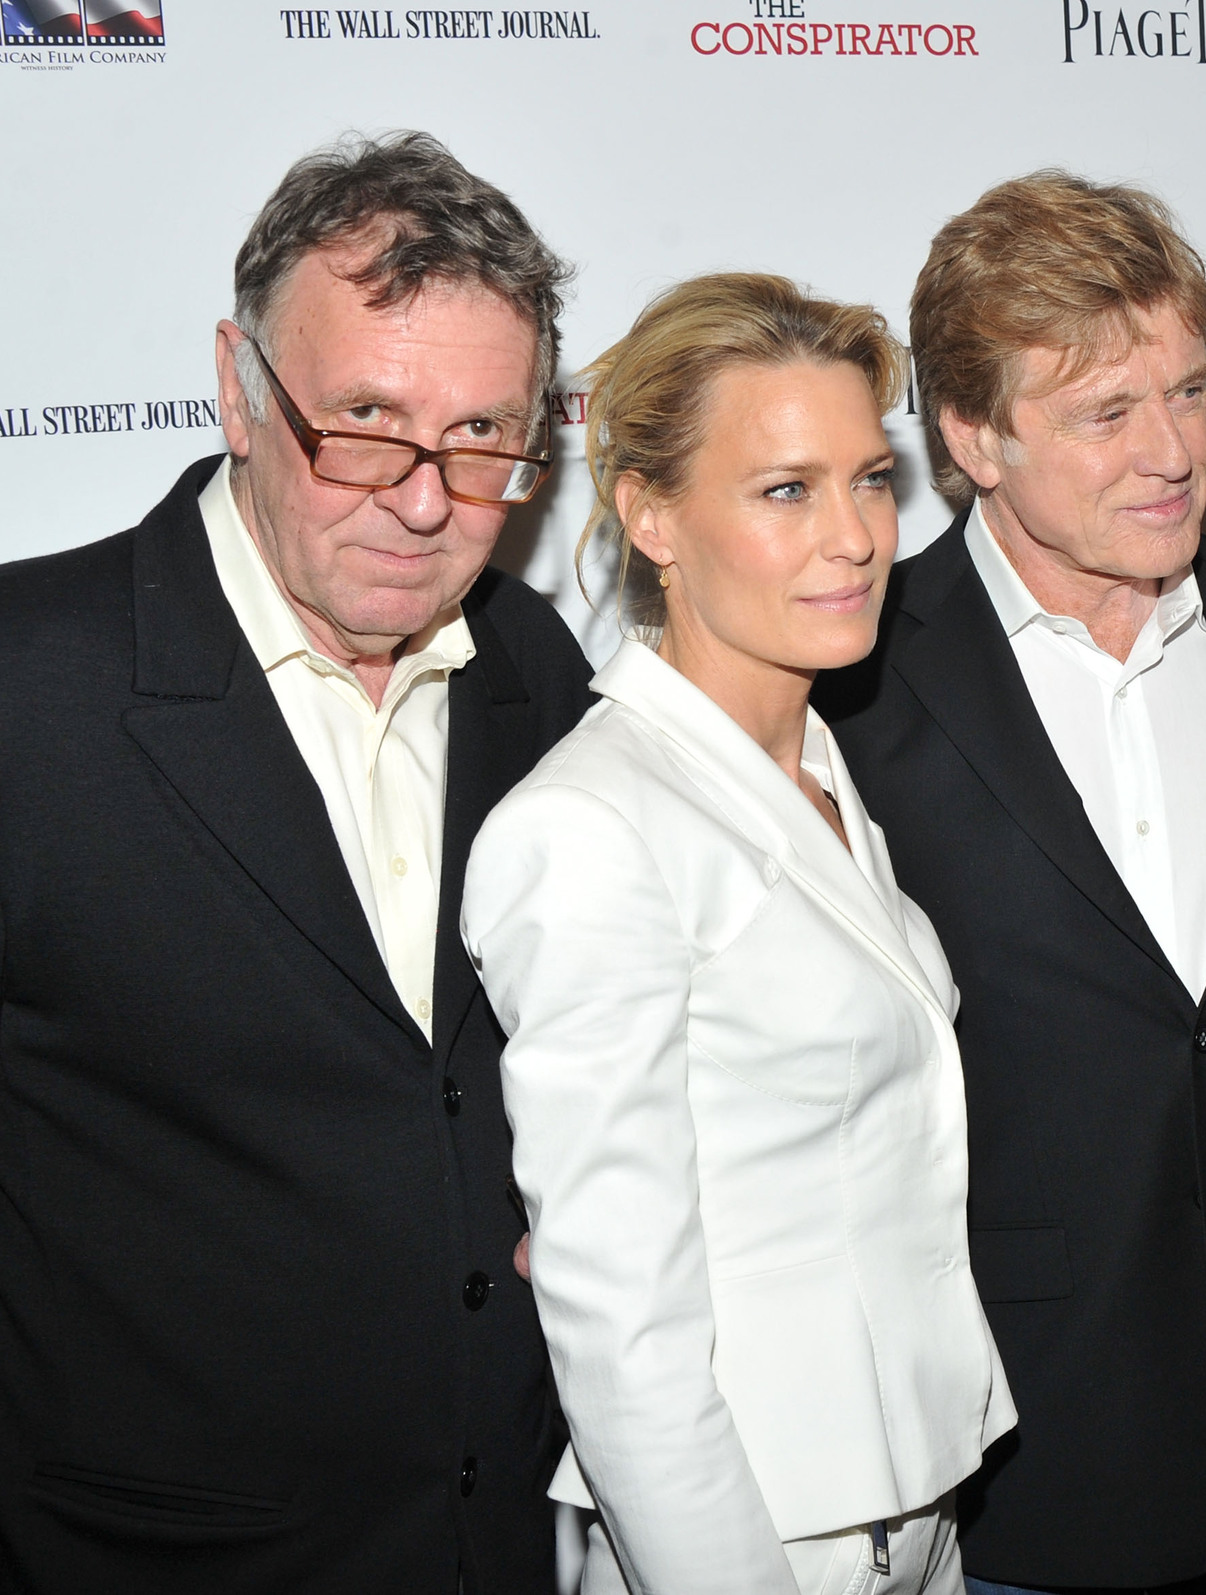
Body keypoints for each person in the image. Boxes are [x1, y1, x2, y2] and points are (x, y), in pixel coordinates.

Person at [0, 132, 594, 1591]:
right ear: (237, 388)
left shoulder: (537, 669)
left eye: (486, 436)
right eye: (363, 419)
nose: (427, 500)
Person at [815, 172, 1206, 1595]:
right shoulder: (852, 683)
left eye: (1189, 393)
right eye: (1107, 414)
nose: (1173, 450)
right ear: (972, 437)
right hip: (1018, 1475)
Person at [461, 273, 1015, 1595]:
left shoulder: (816, 761)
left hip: (910, 1511)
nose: (856, 536)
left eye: (871, 479)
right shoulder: (593, 827)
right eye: (785, 490)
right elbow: (619, 1317)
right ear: (653, 513)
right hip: (754, 1541)